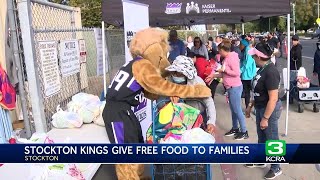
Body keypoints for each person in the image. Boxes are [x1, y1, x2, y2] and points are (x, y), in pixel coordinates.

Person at [245, 42, 282, 179]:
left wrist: (265, 118)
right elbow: (257, 90)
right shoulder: (261, 68)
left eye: (254, 56)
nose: (253, 58)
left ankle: (276, 167)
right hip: (260, 107)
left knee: (272, 139)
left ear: (260, 57)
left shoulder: (271, 72)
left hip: (269, 110)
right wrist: (250, 106)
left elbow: (273, 98)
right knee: (262, 136)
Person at [159, 55, 217, 135]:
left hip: (197, 118)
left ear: (186, 74)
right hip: (176, 121)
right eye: (174, 72)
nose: (175, 75)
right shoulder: (169, 81)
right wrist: (170, 98)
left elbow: (209, 102)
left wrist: (211, 122)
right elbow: (160, 101)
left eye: (178, 73)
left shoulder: (197, 82)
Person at [205, 39, 248, 140]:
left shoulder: (232, 57)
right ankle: (235, 128)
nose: (219, 53)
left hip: (235, 87)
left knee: (237, 110)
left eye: (220, 51)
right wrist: (213, 75)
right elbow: (223, 73)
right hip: (230, 87)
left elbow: (236, 73)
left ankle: (244, 131)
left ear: (224, 50)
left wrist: (225, 70)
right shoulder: (226, 58)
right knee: (233, 110)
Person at [239, 39, 256, 108]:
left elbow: (247, 63)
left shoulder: (248, 51)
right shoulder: (246, 51)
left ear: (243, 45)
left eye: (240, 44)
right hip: (247, 74)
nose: (239, 46)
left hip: (248, 75)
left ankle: (248, 107)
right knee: (248, 92)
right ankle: (247, 107)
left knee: (248, 92)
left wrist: (240, 70)